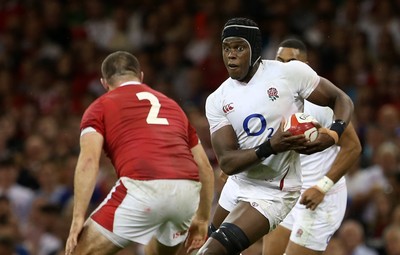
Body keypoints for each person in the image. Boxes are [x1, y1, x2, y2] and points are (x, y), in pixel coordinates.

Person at [197, 17, 354, 255]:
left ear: (255, 49)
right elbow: (228, 162)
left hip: (275, 190)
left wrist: (333, 133)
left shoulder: (293, 80)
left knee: (212, 252)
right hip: (240, 181)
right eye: (226, 48)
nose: (231, 54)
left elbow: (341, 101)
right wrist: (272, 146)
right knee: (205, 245)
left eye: (239, 47)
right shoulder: (217, 100)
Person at [65, 51, 214, 255]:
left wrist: (77, 218)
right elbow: (204, 166)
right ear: (141, 76)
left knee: (77, 252)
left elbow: (89, 161)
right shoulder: (173, 106)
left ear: (104, 83)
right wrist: (203, 218)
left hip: (142, 187)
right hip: (187, 194)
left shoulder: (99, 107)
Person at [262, 38, 362, 255]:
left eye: (292, 62)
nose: (284, 67)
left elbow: (353, 147)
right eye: (279, 61)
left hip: (320, 199)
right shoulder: (270, 97)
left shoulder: (321, 100)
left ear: (305, 67)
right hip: (289, 193)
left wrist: (322, 187)